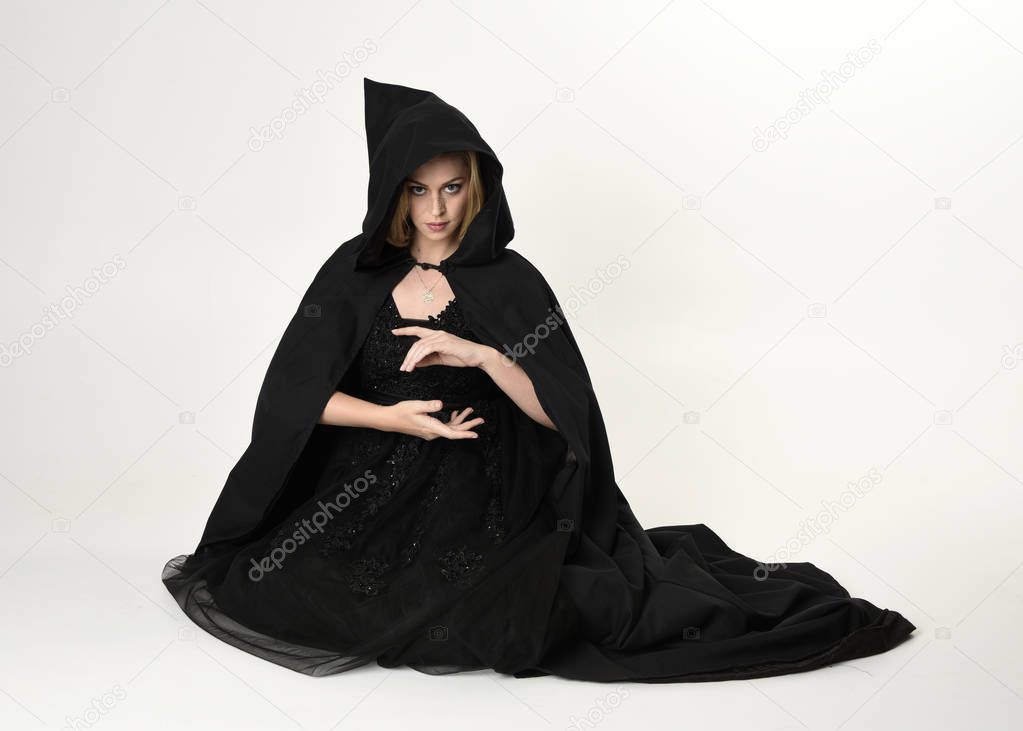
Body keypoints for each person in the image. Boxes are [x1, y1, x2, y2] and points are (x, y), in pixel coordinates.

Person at [162, 77, 916, 682]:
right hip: (368, 480)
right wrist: (401, 420)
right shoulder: (353, 275)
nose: (435, 209)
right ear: (394, 194)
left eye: (451, 188)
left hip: (488, 484)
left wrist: (486, 357)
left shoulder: (511, 281)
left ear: (477, 186)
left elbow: (565, 416)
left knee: (504, 611)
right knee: (279, 586)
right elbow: (295, 399)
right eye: (418, 191)